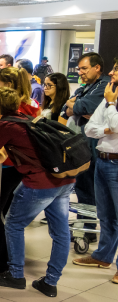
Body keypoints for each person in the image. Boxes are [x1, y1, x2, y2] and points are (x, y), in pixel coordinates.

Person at [0, 87, 75, 297]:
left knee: (14, 224)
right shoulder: (22, 119)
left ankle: (15, 275)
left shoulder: (2, 126)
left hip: (39, 184)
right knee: (60, 233)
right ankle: (50, 282)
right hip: (63, 179)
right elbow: (9, 150)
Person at [73, 59, 118, 284]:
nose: (111, 72)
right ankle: (103, 256)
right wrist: (108, 128)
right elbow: (89, 129)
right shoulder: (112, 92)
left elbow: (117, 125)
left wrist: (110, 106)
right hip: (102, 160)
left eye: (116, 69)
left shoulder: (109, 98)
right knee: (106, 215)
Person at [62, 52, 111, 244]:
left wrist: (76, 106)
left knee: (94, 191)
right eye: (79, 69)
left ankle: (92, 230)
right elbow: (66, 110)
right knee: (83, 189)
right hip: (81, 146)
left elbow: (82, 107)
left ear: (97, 67)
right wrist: (73, 105)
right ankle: (87, 228)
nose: (80, 72)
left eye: (84, 68)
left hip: (96, 147)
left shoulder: (104, 86)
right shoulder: (87, 87)